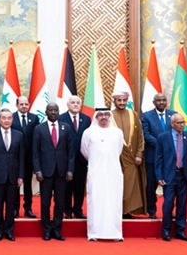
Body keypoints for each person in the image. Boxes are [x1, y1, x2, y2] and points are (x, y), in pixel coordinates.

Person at [80, 108, 124, 241]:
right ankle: (94, 232)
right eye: (100, 115)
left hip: (113, 172)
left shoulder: (117, 132)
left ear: (109, 116)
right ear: (96, 117)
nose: (103, 117)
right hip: (96, 172)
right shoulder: (88, 132)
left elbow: (119, 150)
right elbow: (85, 151)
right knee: (96, 201)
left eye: (106, 114)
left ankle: (115, 233)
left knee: (114, 201)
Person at [33, 103, 75, 241]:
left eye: (55, 110)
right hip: (45, 173)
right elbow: (35, 152)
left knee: (60, 202)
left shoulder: (66, 128)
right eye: (50, 110)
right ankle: (46, 230)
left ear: (58, 111)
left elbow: (71, 152)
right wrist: (37, 170)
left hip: (62, 172)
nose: (53, 112)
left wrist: (70, 169)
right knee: (45, 203)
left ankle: (57, 229)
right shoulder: (39, 129)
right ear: (46, 112)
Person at [156, 114, 187, 242]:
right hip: (168, 176)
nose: (182, 125)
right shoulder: (163, 137)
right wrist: (159, 176)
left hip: (183, 176)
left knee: (182, 204)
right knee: (168, 204)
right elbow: (159, 158)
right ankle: (166, 230)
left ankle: (180, 231)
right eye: (179, 123)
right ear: (173, 124)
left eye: (183, 122)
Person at [0, 109, 24, 241]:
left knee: (11, 206)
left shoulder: (19, 135)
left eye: (9, 118)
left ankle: (9, 231)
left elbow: (21, 158)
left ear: (12, 120)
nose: (6, 120)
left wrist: (21, 176)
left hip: (13, 176)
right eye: (4, 118)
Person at [111, 91, 147, 218]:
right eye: (119, 100)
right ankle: (115, 211)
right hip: (114, 158)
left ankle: (126, 211)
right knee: (114, 184)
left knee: (129, 185)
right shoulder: (108, 115)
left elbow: (141, 136)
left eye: (124, 100)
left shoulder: (133, 114)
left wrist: (139, 154)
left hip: (131, 158)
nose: (122, 103)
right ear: (114, 101)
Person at [142, 93, 176, 219]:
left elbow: (176, 132)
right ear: (154, 102)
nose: (161, 102)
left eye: (164, 100)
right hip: (152, 157)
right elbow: (146, 134)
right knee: (151, 186)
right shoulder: (146, 116)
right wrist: (162, 144)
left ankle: (169, 211)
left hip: (169, 158)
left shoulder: (173, 115)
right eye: (159, 100)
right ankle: (151, 210)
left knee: (170, 186)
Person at [59, 95, 91, 219]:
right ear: (68, 104)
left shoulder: (86, 119)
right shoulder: (61, 118)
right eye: (73, 102)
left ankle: (78, 209)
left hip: (81, 158)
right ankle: (67, 210)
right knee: (67, 185)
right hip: (66, 158)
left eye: (78, 102)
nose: (76, 104)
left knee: (79, 186)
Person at [11, 95, 38, 218]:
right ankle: (15, 208)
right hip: (14, 158)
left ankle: (28, 208)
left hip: (28, 158)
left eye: (26, 104)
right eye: (21, 104)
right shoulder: (11, 117)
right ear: (17, 105)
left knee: (28, 185)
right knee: (15, 184)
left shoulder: (34, 118)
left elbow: (36, 138)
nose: (24, 106)